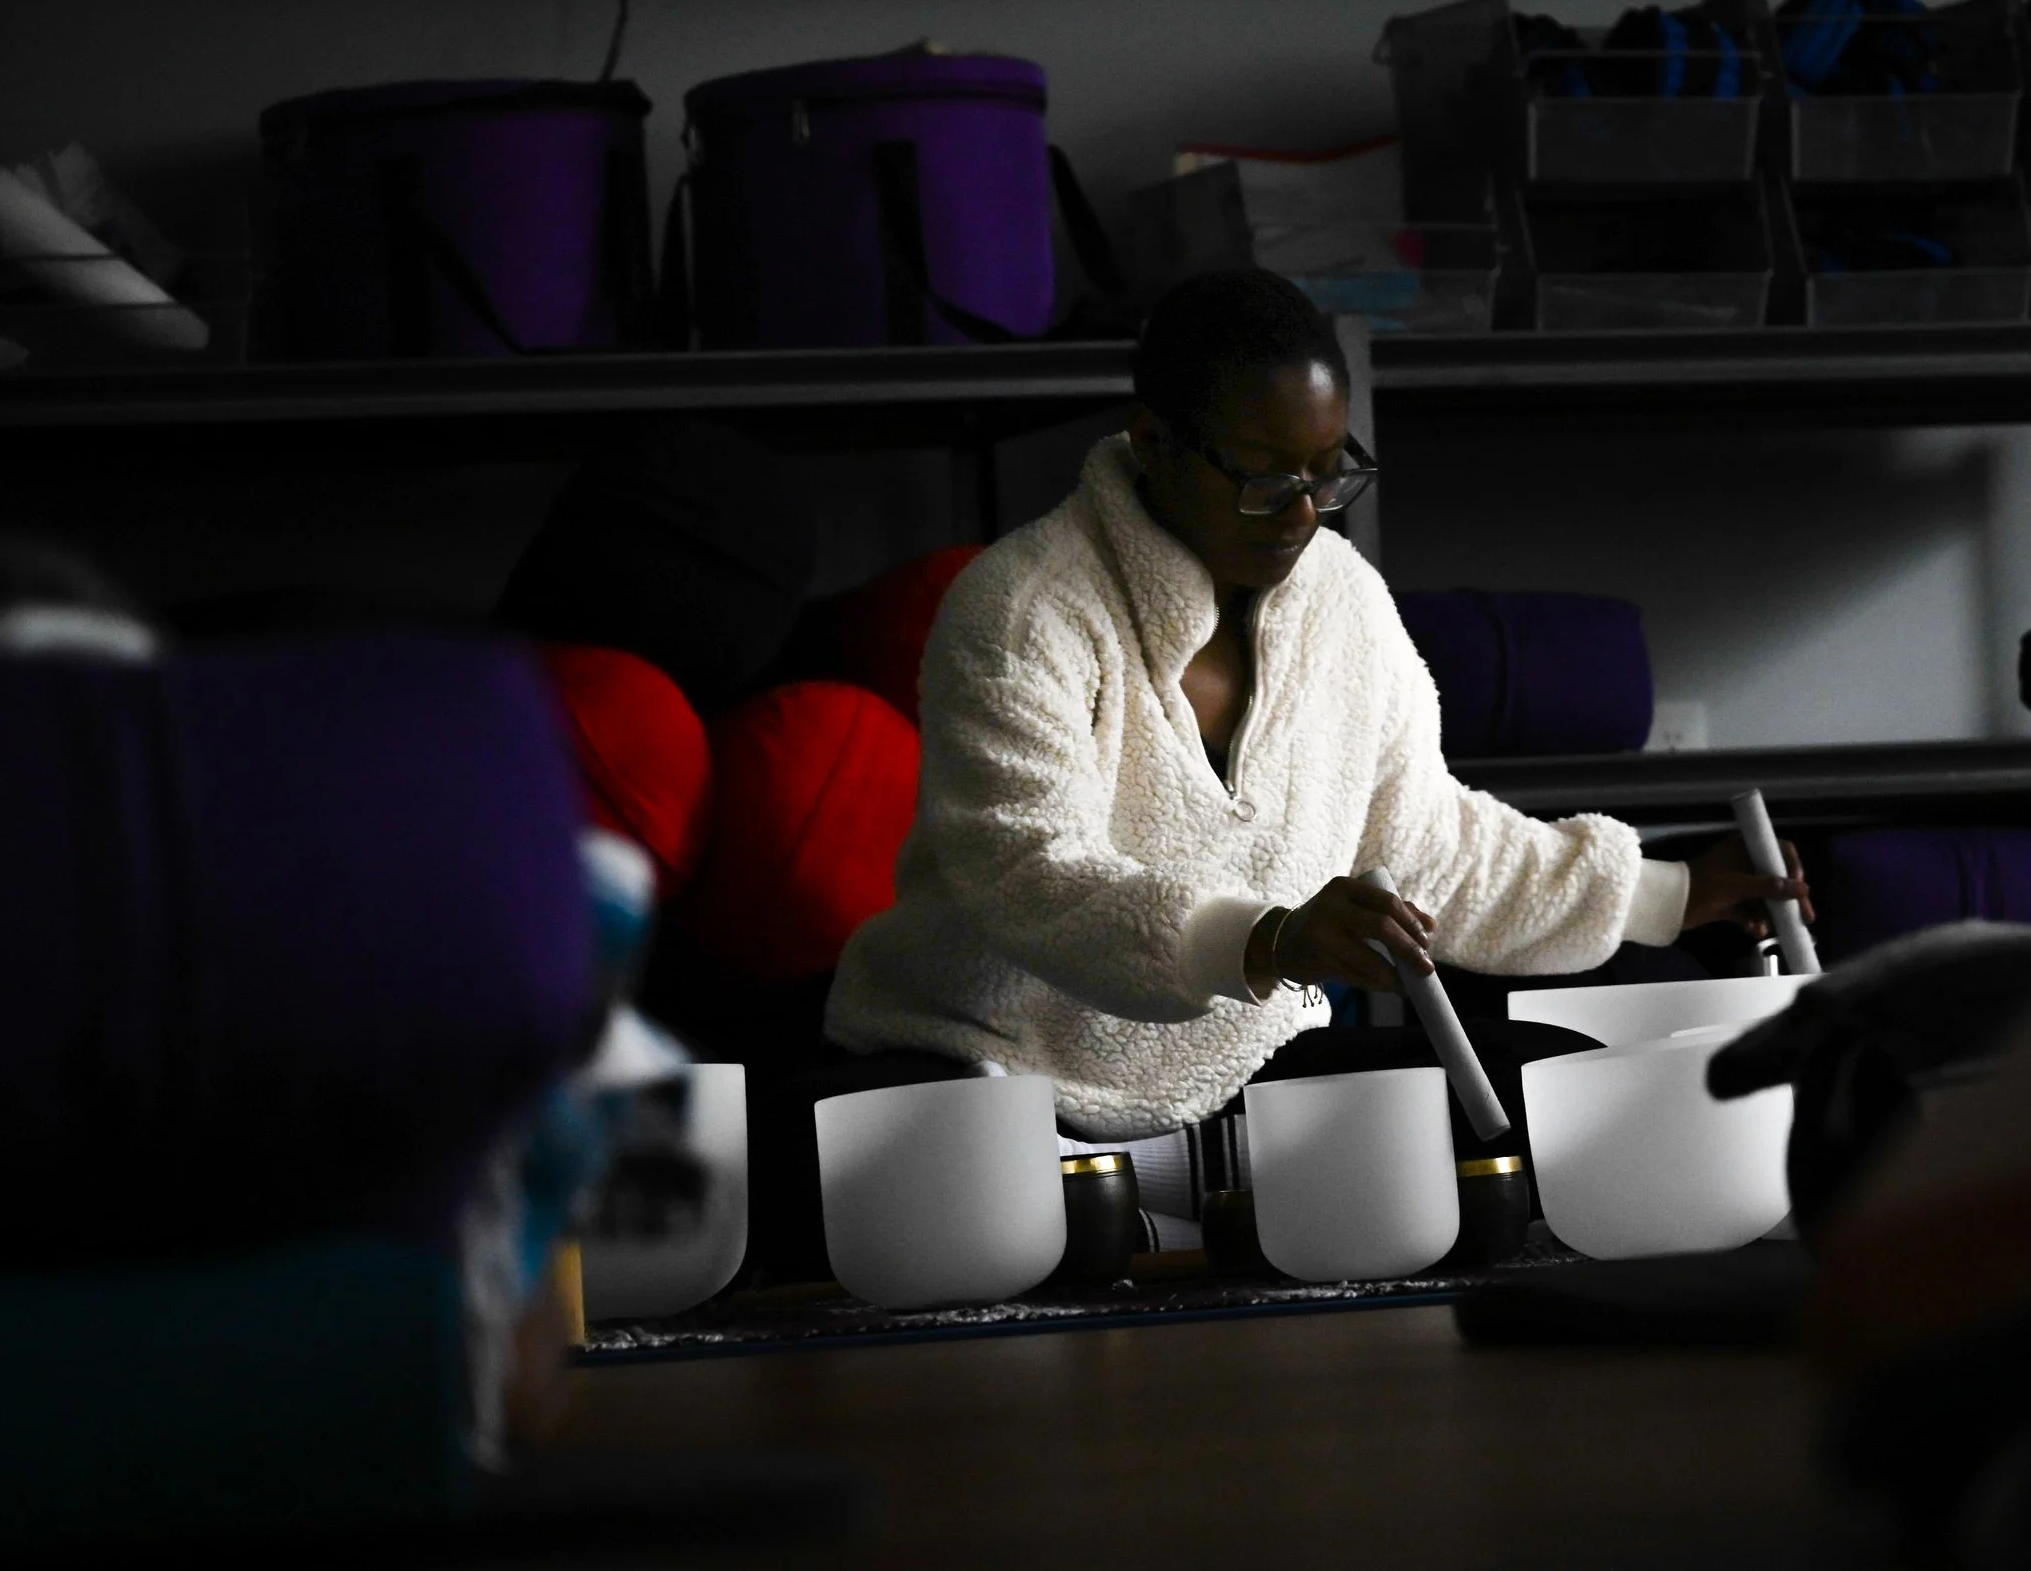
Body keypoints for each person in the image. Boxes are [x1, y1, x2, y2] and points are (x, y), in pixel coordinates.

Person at [750, 269, 1807, 1275]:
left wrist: (1665, 891)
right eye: (1263, 474)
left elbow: (1425, 841)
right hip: (996, 1068)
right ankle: (1160, 1199)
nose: (1303, 511)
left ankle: (1188, 1196)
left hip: (1242, 1074)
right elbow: (1028, 871)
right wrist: (1267, 938)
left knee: (1545, 1080)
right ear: (1154, 444)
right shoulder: (1021, 608)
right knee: (852, 1176)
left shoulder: (1342, 599)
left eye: (1325, 470)